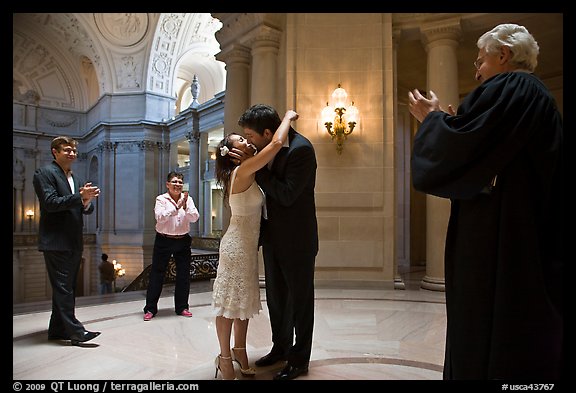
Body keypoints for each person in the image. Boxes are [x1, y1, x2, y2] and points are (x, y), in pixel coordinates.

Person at [408, 23, 563, 379]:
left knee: (492, 317)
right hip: (521, 228)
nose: (477, 71)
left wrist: (434, 122)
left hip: (503, 233)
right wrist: (450, 125)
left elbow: (469, 145)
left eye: (481, 61)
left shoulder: (515, 85)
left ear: (503, 55)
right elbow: (485, 147)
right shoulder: (534, 96)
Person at [212, 109, 299, 380]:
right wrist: (287, 117)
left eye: (246, 138)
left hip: (247, 248)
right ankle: (224, 359)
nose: (247, 142)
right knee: (228, 306)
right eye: (241, 140)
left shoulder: (245, 169)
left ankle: (240, 350)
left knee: (243, 305)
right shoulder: (243, 170)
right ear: (232, 152)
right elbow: (274, 144)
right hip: (236, 248)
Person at [234, 104, 319, 380]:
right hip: (272, 239)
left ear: (268, 133)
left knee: (301, 303)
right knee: (277, 300)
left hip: (298, 242)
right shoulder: (264, 151)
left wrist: (258, 171)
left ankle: (299, 359)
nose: (247, 141)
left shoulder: (301, 150)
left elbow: (287, 194)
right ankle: (280, 347)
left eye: (250, 135)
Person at [32, 136, 101, 346]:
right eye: (66, 150)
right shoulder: (44, 173)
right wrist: (80, 198)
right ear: (55, 151)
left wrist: (87, 202)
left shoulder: (77, 179)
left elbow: (85, 209)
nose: (71, 153)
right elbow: (51, 203)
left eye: (73, 150)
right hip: (55, 240)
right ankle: (76, 332)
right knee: (63, 287)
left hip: (74, 240)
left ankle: (56, 330)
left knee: (66, 287)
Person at [143, 171, 200, 321]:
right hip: (164, 240)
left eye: (180, 182)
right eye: (174, 182)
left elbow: (195, 218)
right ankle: (150, 309)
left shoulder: (188, 199)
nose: (178, 185)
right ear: (168, 184)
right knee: (157, 274)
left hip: (183, 240)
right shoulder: (161, 199)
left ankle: (182, 307)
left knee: (184, 275)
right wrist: (176, 208)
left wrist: (186, 206)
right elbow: (160, 218)